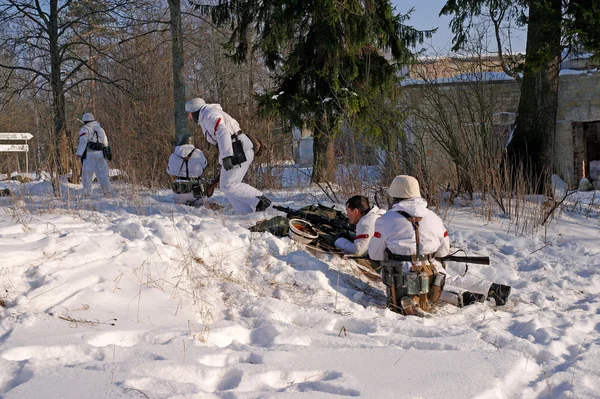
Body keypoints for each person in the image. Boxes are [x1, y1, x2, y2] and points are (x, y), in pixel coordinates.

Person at [368, 175, 511, 314]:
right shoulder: (433, 217)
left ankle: (465, 297)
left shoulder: (385, 220)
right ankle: (492, 289)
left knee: (422, 287)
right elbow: (443, 252)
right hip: (431, 270)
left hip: (401, 275)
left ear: (395, 196)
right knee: (448, 279)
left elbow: (374, 254)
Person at [185, 97, 271, 214]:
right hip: (237, 149)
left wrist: (226, 156)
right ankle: (245, 213)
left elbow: (223, 131)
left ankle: (261, 201)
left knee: (229, 185)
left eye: (189, 114)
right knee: (227, 186)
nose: (189, 118)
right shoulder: (207, 116)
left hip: (238, 150)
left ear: (195, 111)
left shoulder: (209, 115)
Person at [166, 134, 209, 205]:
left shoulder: (173, 155)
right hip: (197, 191)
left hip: (180, 191)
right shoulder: (199, 153)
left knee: (180, 211)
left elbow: (169, 171)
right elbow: (204, 164)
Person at [75, 112, 111, 196]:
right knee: (103, 175)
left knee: (87, 175)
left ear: (84, 121)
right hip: (101, 155)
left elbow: (83, 143)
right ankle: (108, 193)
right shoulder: (101, 129)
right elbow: (105, 142)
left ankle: (87, 194)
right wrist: (107, 153)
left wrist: (79, 154)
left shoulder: (85, 129)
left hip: (89, 155)